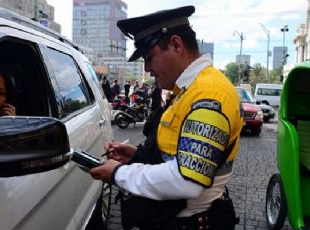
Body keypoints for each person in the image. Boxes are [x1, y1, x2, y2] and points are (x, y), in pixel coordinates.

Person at [90, 5, 243, 230]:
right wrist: (139, 156)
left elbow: (187, 180)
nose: (148, 68)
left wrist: (119, 173)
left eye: (149, 58)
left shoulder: (210, 94)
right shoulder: (188, 90)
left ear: (176, 45)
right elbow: (179, 153)